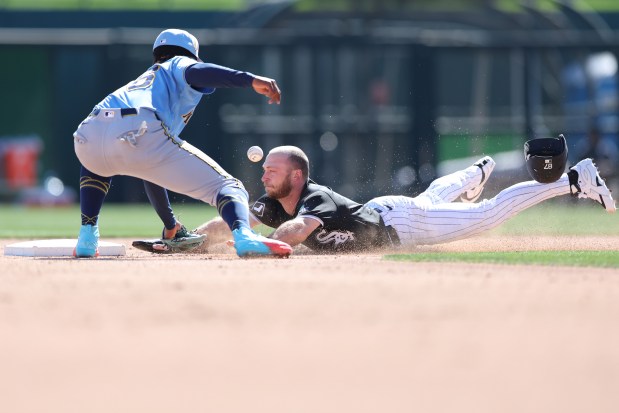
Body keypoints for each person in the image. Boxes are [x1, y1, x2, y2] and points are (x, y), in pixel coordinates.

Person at [72, 28, 292, 258]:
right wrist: (249, 79)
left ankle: (87, 238)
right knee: (229, 188)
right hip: (140, 124)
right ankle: (244, 236)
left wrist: (170, 224)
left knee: (96, 164)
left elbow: (152, 170)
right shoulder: (178, 63)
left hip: (89, 130)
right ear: (191, 55)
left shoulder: (145, 81)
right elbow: (198, 71)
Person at [178, 145, 614, 254]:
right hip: (389, 209)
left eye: (271, 170)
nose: (263, 174)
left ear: (296, 175)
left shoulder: (315, 199)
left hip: (403, 227)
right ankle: (475, 172)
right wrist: (197, 238)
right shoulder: (272, 200)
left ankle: (574, 179)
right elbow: (236, 223)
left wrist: (258, 248)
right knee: (429, 197)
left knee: (486, 214)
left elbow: (294, 233)